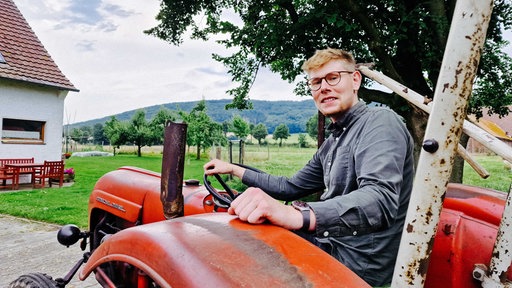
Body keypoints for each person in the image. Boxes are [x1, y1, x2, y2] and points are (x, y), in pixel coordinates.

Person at [204, 48, 414, 286]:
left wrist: (296, 215)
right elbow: (290, 187)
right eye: (315, 82)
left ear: (355, 80)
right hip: (329, 243)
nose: (324, 87)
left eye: (333, 78)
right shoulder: (333, 143)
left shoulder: (380, 122)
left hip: (359, 262)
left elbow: (379, 199)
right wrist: (233, 169)